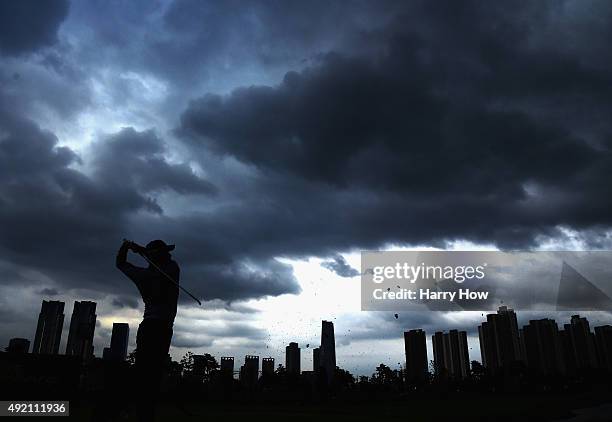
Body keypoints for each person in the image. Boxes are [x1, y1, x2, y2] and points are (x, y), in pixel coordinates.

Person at [116, 239, 180, 422]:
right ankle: (139, 411)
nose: (169, 255)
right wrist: (141, 251)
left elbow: (120, 263)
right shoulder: (169, 269)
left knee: (147, 372)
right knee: (149, 373)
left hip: (153, 327)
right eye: (164, 253)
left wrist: (129, 248)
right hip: (158, 327)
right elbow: (164, 263)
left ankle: (140, 411)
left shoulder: (150, 273)